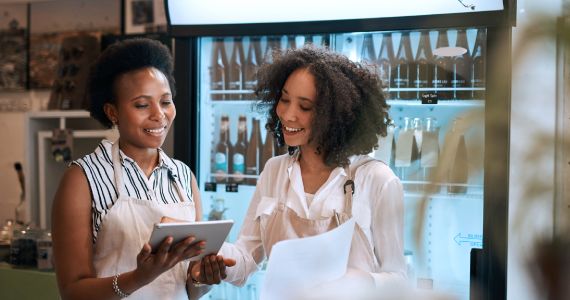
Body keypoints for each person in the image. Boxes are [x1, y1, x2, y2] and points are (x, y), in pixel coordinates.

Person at [204, 45, 407, 295]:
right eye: (285, 99)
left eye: (305, 107)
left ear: (334, 115)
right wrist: (211, 252)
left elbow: (398, 279)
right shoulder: (274, 171)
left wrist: (361, 280)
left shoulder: (377, 180)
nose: (288, 115)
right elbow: (246, 259)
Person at [51, 38, 233, 300]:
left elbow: (189, 289)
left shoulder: (183, 177)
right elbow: (72, 292)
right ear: (112, 112)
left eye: (166, 101)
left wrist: (202, 277)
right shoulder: (82, 179)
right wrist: (140, 277)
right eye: (141, 105)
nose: (159, 115)